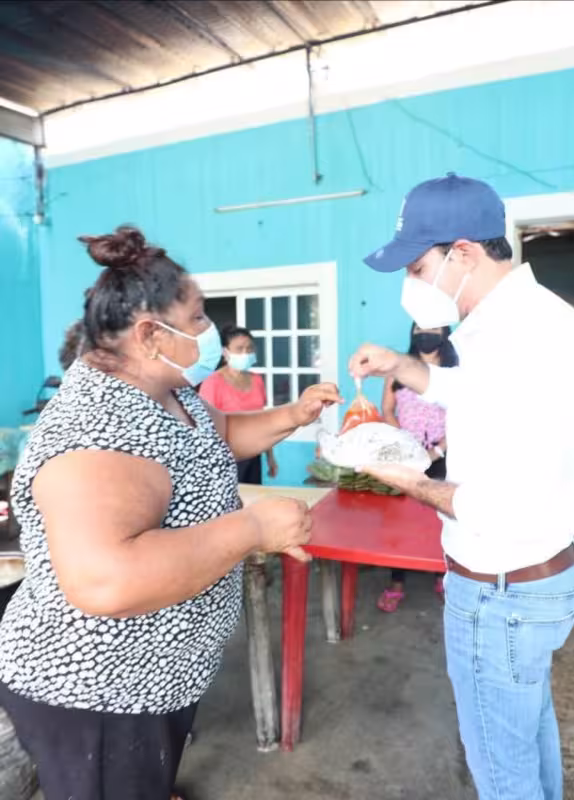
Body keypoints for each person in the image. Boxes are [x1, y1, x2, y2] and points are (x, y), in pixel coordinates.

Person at [0, 226, 341, 800]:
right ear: (149, 334)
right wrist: (253, 528)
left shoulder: (167, 390)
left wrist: (293, 415)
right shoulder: (97, 427)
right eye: (199, 316)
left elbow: (217, 434)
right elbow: (106, 579)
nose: (210, 331)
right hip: (99, 693)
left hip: (154, 680)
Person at [350, 174, 574, 800]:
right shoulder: (519, 319)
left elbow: (507, 506)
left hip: (501, 592)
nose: (411, 285)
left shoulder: (521, 336)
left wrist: (408, 480)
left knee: (503, 773)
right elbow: (480, 396)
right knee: (527, 736)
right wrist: (402, 366)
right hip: (535, 574)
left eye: (417, 267)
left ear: (461, 253)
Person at [378, 322, 457, 611]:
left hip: (445, 456)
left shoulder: (454, 374)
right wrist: (404, 444)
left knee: (442, 519)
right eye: (420, 329)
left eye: (433, 329)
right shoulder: (398, 371)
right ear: (412, 333)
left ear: (445, 334)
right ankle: (396, 582)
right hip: (406, 456)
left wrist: (436, 451)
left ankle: (441, 576)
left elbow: (465, 417)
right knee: (401, 520)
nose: (426, 335)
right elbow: (387, 410)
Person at [199, 325, 277, 484]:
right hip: (225, 458)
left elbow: (262, 422)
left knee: (251, 496)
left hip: (254, 455)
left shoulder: (257, 380)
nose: (245, 353)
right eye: (239, 349)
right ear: (225, 352)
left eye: (249, 348)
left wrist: (270, 457)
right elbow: (204, 426)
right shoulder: (213, 383)